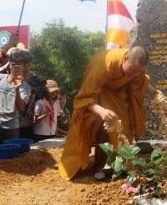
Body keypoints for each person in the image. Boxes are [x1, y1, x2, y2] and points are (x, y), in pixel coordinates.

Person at [58, 46, 157, 181]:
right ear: (125, 58)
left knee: (124, 129)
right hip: (99, 94)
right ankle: (100, 167)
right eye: (133, 70)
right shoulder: (103, 65)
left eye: (139, 71)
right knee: (103, 130)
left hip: (119, 96)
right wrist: (101, 111)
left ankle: (123, 165)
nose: (134, 74)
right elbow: (84, 97)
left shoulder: (135, 69)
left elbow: (139, 77)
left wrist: (149, 88)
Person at [0, 50, 31, 145]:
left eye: (19, 65)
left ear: (23, 67)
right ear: (9, 64)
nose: (15, 68)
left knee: (9, 157)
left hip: (11, 128)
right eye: (13, 64)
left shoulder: (25, 87)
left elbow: (20, 107)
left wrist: (17, 89)